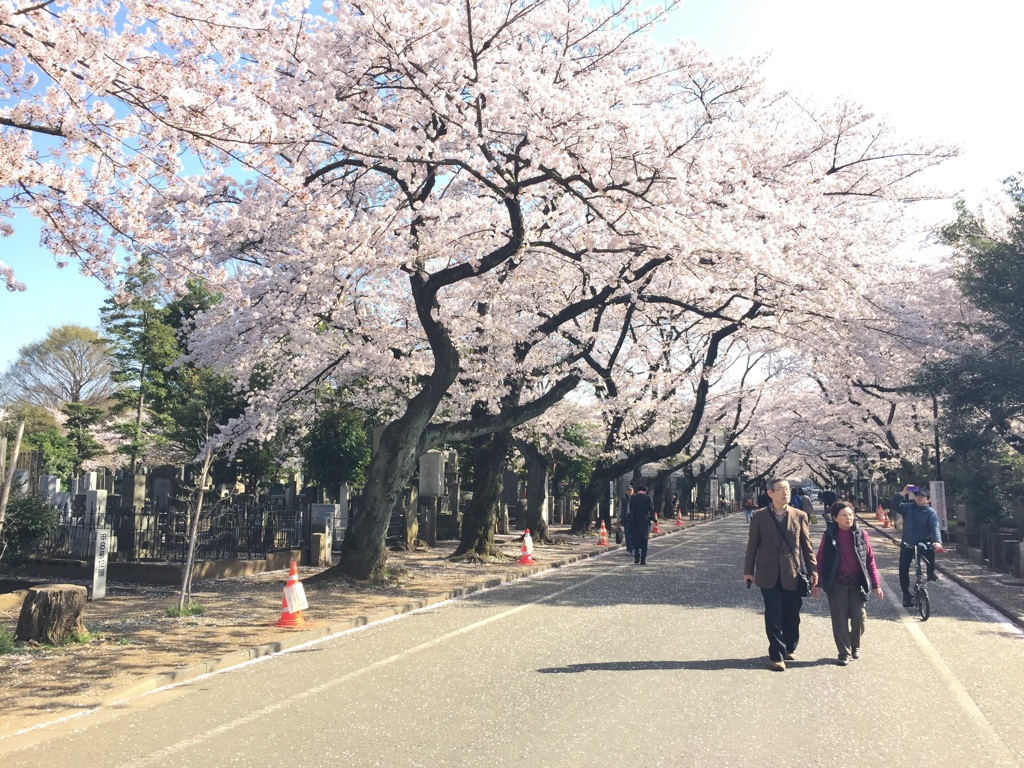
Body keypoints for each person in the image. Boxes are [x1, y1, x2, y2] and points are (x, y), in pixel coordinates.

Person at [743, 477, 818, 671]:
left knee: (792, 614)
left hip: (792, 571)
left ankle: (790, 645)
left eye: (788, 489)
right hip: (768, 572)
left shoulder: (800, 515)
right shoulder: (759, 516)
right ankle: (776, 655)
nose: (786, 493)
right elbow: (752, 545)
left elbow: (807, 546)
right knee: (773, 614)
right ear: (770, 493)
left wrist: (813, 570)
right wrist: (748, 571)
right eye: (781, 489)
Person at [813, 501, 883, 665]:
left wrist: (876, 584)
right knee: (839, 619)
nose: (848, 518)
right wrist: (818, 583)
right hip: (836, 583)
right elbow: (820, 559)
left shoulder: (861, 534)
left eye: (850, 514)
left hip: (857, 583)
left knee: (859, 617)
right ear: (835, 518)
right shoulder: (830, 535)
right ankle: (844, 652)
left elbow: (870, 560)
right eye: (844, 515)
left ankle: (855, 644)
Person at [891, 484, 944, 607]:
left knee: (930, 551)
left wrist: (937, 541)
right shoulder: (909, 507)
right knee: (903, 568)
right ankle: (906, 594)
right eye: (918, 496)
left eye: (923, 496)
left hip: (924, 542)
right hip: (908, 543)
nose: (919, 498)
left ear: (928, 500)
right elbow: (894, 505)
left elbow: (934, 527)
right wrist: (903, 492)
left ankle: (931, 572)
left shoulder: (931, 512)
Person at [628, 484, 655, 565]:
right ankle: (643, 559)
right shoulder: (648, 498)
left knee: (636, 538)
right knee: (644, 539)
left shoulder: (634, 498)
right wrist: (652, 517)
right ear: (645, 491)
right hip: (645, 519)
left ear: (638, 490)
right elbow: (652, 509)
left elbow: (630, 508)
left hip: (635, 520)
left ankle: (637, 557)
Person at [617, 485, 635, 556]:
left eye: (630, 490)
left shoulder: (636, 498)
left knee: (634, 535)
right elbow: (620, 510)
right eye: (627, 490)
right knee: (627, 535)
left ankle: (634, 547)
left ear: (633, 490)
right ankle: (628, 549)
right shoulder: (623, 499)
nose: (629, 491)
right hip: (626, 520)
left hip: (634, 520)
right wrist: (618, 520)